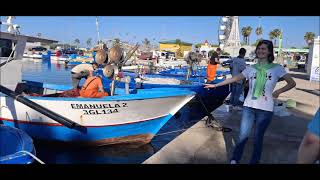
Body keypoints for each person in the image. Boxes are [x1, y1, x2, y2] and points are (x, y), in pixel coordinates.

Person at [204, 40, 296, 164]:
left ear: (269, 51)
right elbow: (235, 78)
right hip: (248, 107)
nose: (261, 51)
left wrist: (278, 91)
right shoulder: (251, 68)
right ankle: (235, 159)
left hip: (265, 110)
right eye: (259, 48)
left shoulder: (277, 68)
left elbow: (291, 83)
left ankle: (254, 161)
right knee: (242, 136)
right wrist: (216, 85)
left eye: (264, 49)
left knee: (258, 138)